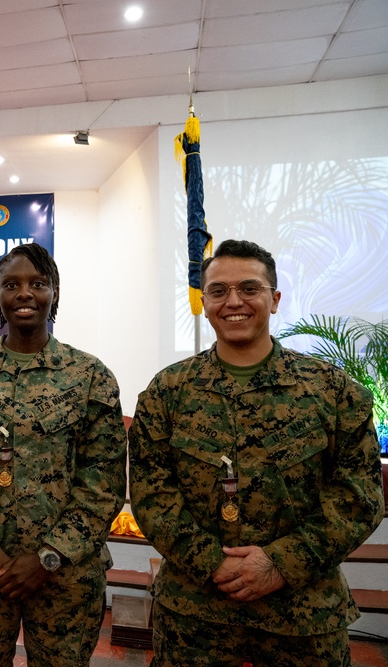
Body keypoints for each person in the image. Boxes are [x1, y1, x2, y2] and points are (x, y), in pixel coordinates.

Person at [129, 239, 385, 666]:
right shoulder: (168, 392)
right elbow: (152, 495)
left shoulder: (332, 390)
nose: (234, 302)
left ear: (275, 298)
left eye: (249, 288)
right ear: (205, 302)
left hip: (303, 618)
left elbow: (360, 498)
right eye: (218, 291)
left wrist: (281, 562)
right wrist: (212, 562)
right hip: (195, 619)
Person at [0, 242, 127, 666]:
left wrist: (48, 557)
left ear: (55, 292)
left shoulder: (90, 377)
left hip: (66, 577)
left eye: (38, 283)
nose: (25, 294)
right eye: (11, 284)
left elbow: (103, 484)